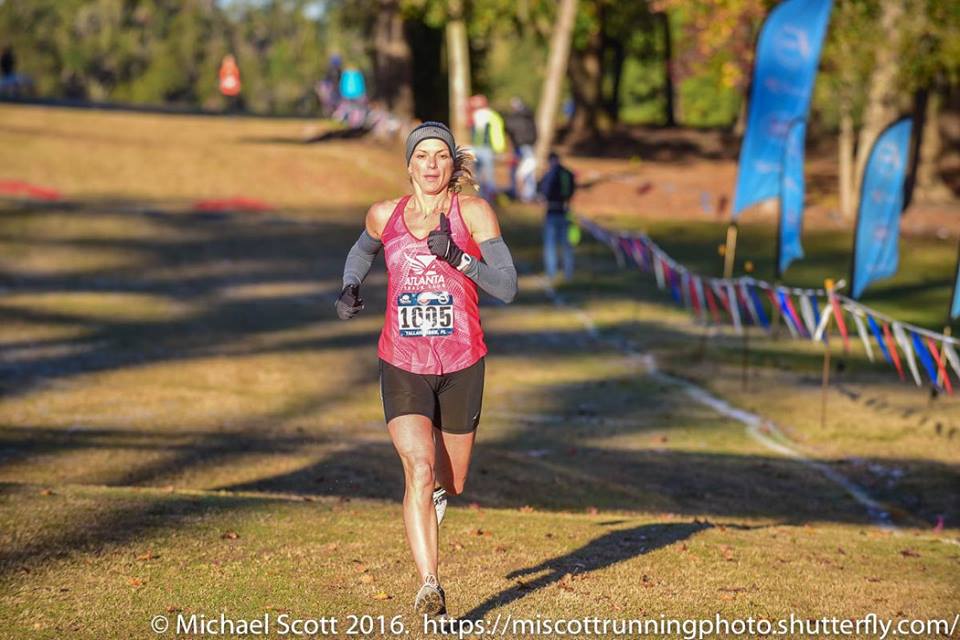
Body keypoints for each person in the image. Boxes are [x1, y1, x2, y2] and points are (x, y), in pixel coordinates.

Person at [335, 122, 518, 617]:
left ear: (452, 163)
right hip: (403, 361)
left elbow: (507, 287)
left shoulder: (474, 213)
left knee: (450, 481)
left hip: (462, 362)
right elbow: (361, 250)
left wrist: (459, 258)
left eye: (441, 155)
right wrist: (350, 286)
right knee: (418, 466)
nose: (432, 164)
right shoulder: (385, 215)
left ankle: (437, 491)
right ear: (409, 164)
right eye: (423, 155)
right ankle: (430, 585)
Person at [537, 152, 576, 281]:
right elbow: (572, 190)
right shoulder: (568, 174)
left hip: (552, 213)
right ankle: (568, 273)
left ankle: (551, 272)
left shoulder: (550, 174)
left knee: (550, 245)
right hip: (565, 212)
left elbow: (543, 192)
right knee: (566, 245)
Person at [467, 95, 506, 202]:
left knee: (485, 173)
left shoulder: (482, 115)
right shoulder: (489, 115)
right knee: (484, 173)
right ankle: (485, 196)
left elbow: (479, 134)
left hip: (484, 148)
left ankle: (486, 196)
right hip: (482, 148)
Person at [504, 97, 538, 202]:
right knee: (523, 171)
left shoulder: (517, 118)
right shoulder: (528, 115)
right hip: (523, 145)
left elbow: (509, 128)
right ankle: (524, 193)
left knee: (524, 171)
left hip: (523, 146)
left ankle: (526, 194)